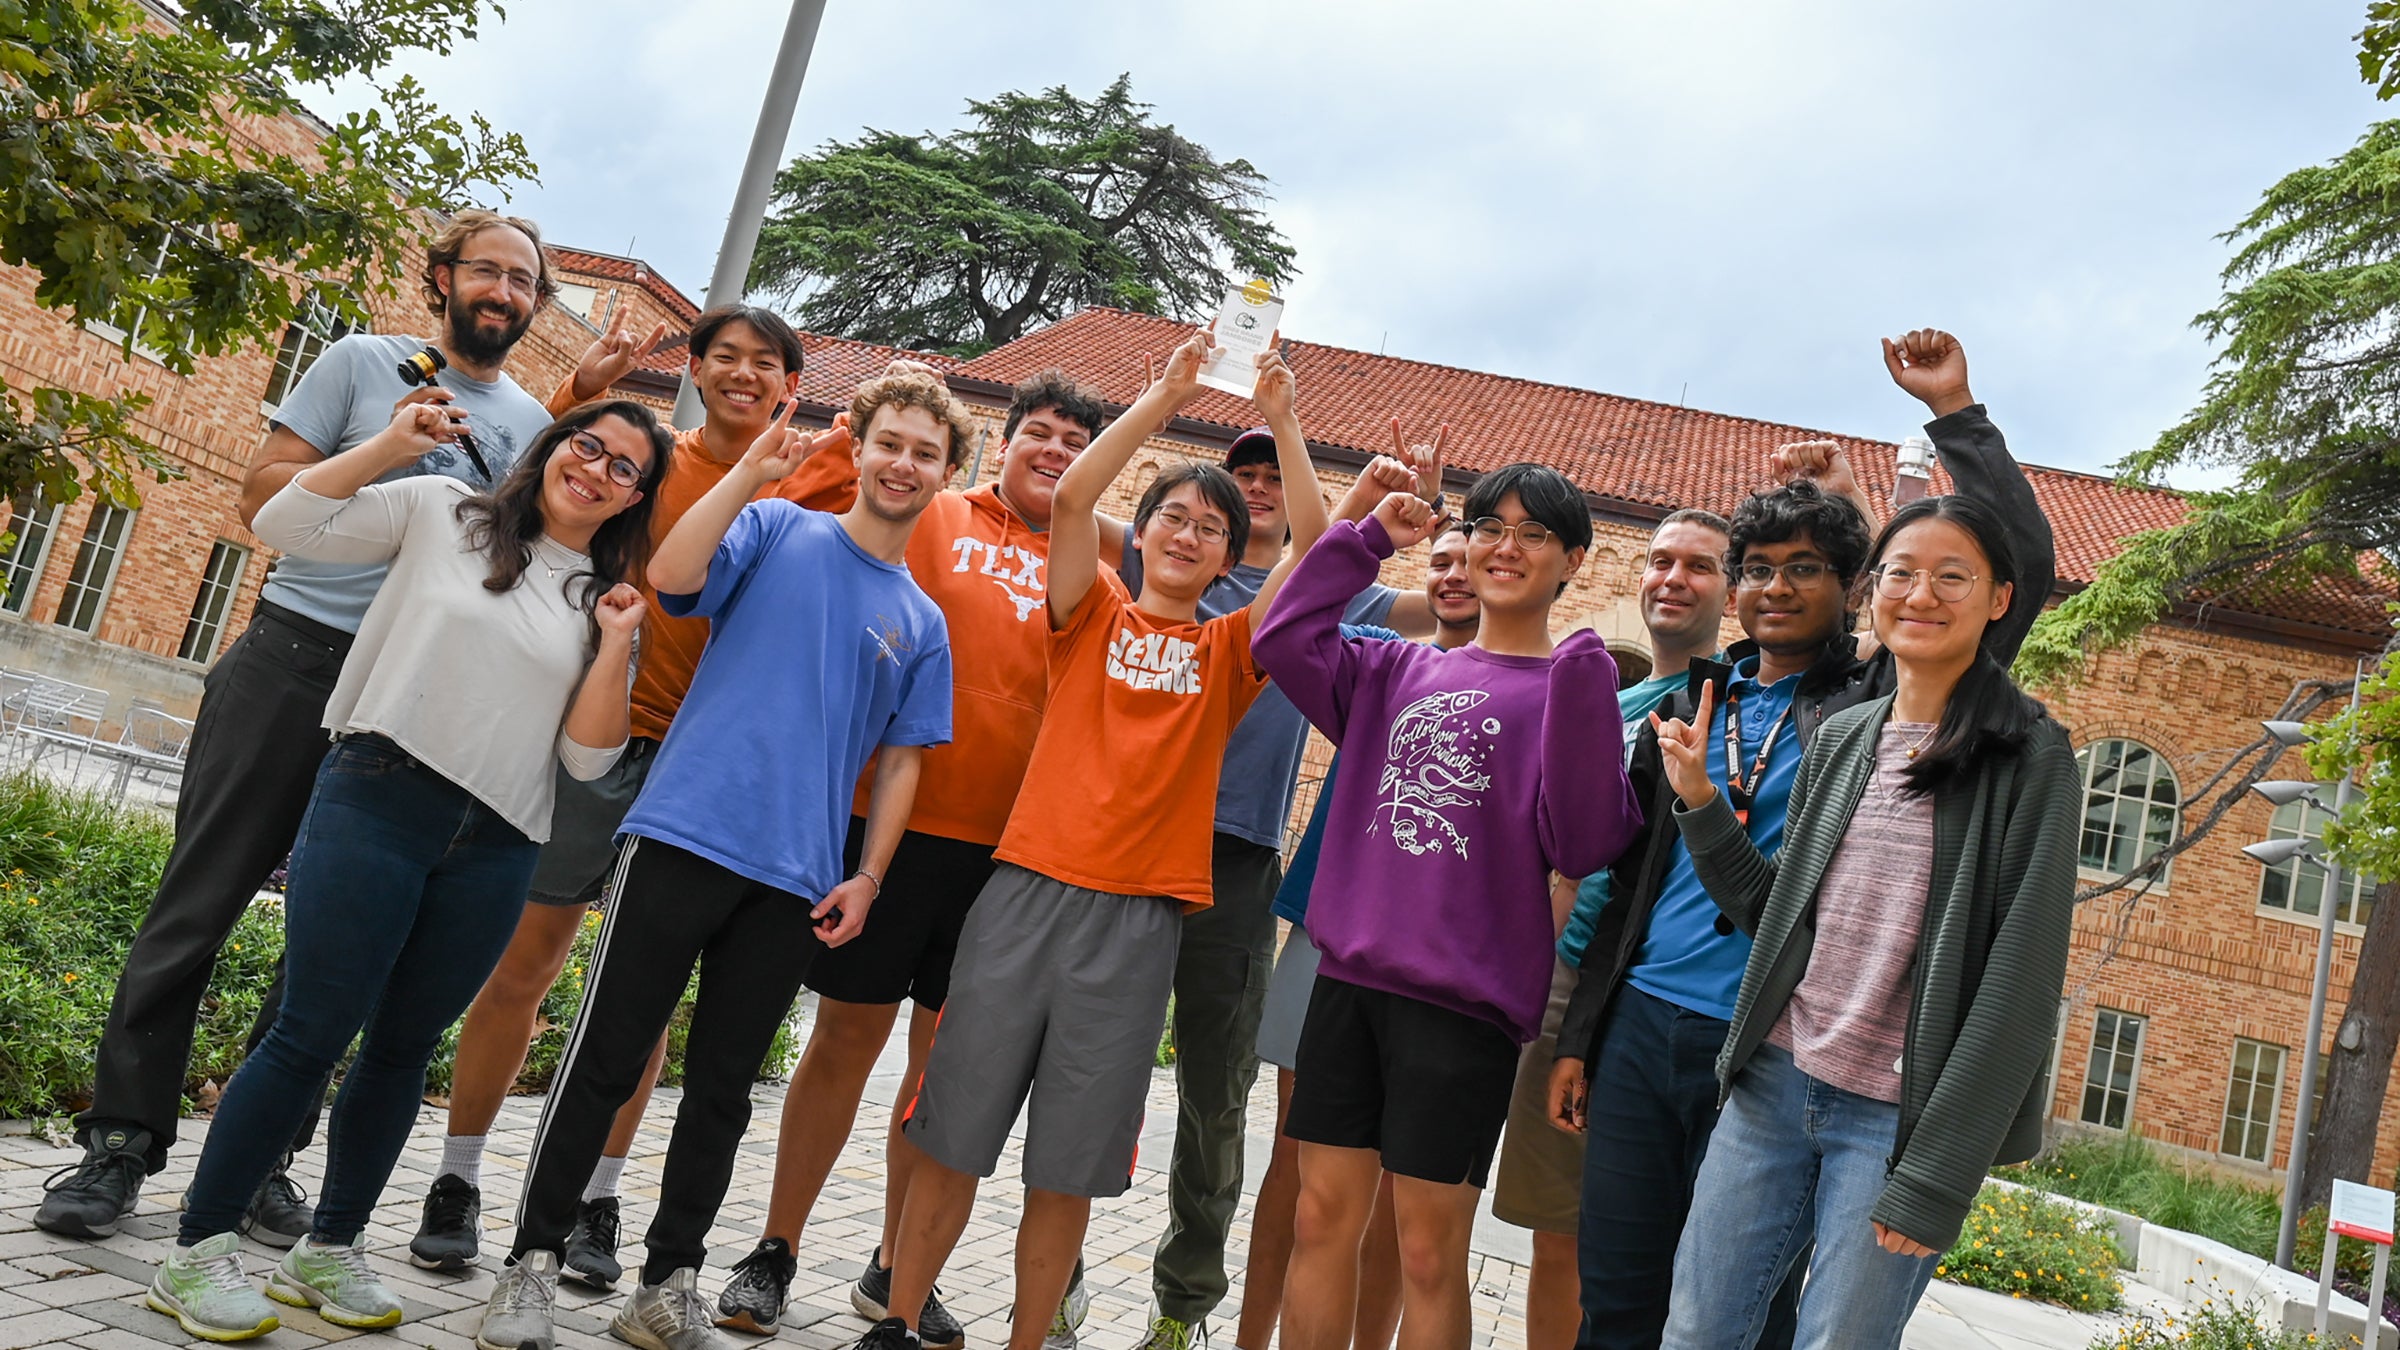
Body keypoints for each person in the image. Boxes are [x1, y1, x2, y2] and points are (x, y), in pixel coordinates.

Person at [38, 210, 566, 1244]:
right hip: (293, 661)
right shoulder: (365, 361)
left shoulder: (533, 419)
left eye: (522, 281)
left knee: (334, 951)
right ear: (444, 275)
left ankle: (267, 1155)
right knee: (199, 903)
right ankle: (120, 1144)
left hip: (403, 704)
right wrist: (388, 448)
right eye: (486, 271)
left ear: (534, 305)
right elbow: (260, 496)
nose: (502, 291)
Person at [1550, 329, 2051, 1350]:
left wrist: (1942, 426)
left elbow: (1969, 582)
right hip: (1677, 1035)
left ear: (1846, 590)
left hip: (1786, 1045)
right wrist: (1581, 1035)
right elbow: (1636, 883)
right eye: (1758, 570)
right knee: (1642, 1304)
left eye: (1807, 570)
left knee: (1764, 1323)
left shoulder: (1870, 700)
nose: (1777, 588)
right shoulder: (1691, 702)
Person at [144, 397, 668, 1342]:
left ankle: (330, 1244)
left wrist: (621, 639)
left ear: (637, 497)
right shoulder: (442, 510)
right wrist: (388, 445)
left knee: (400, 1050)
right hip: (378, 793)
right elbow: (280, 522)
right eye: (588, 445)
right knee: (309, 1031)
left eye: (625, 467)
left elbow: (589, 762)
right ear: (554, 446)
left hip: (501, 841)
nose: (597, 469)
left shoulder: (600, 600)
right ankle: (197, 1247)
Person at [474, 372, 963, 1350]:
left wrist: (866, 876)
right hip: (684, 834)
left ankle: (668, 1282)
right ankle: (529, 1264)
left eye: (926, 453)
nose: (904, 464)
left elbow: (904, 761)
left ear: (945, 475)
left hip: (794, 879)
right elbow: (674, 578)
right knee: (607, 1055)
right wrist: (747, 472)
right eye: (891, 442)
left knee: (724, 1090)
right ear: (857, 445)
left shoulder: (923, 621)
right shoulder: (781, 527)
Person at [857, 330, 1324, 1350]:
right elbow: (1072, 500)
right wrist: (1163, 396)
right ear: (1141, 535)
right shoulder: (1089, 616)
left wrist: (1286, 422)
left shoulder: (1233, 653)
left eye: (1213, 526)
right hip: (1021, 895)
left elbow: (1319, 561)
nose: (1191, 534)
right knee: (952, 1137)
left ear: (1227, 554)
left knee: (1066, 1166)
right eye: (1174, 516)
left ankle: (1028, 1338)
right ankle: (894, 1322)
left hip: (1136, 924)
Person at [408, 304, 824, 1290]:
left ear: (788, 387)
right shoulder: (652, 454)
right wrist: (579, 390)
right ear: (694, 370)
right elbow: (540, 478)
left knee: (644, 1004)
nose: (741, 374)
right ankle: (457, 1181)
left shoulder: (812, 481)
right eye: (722, 357)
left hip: (700, 767)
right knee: (528, 963)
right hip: (594, 730)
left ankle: (599, 1197)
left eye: (763, 364)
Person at [716, 371, 1109, 1344]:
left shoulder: (1092, 563)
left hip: (1007, 859)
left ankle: (897, 1267)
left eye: (1075, 441)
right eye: (1040, 433)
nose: (1055, 452)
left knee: (939, 1073)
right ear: (1003, 444)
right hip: (887, 832)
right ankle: (775, 1248)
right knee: (844, 1041)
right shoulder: (935, 514)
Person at [1654, 488, 2077, 1350]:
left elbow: (2021, 984)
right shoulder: (1848, 736)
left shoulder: (2030, 755)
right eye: (1901, 573)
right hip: (1776, 1085)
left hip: (1894, 1120)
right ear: (1871, 591)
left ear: (1999, 599)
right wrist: (1700, 804)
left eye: (1951, 577)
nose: (1921, 596)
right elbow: (1778, 920)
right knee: (1697, 1332)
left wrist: (1941, 1173)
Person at [1256, 463, 1644, 1350]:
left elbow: (1585, 845)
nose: (1505, 547)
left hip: (1462, 1009)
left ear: (1573, 560)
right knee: (1320, 1220)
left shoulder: (1568, 686)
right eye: (1488, 526)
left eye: (1533, 533)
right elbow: (1281, 637)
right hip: (1349, 984)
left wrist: (1583, 686)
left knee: (1427, 1253)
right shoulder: (1392, 669)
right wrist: (1363, 539)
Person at [1109, 422, 1442, 1350]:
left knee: (1215, 1097)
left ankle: (1182, 1307)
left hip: (1241, 857)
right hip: (1131, 845)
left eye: (1268, 476)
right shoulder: (1183, 575)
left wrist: (1423, 523)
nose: (1253, 487)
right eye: (1238, 476)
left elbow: (1430, 608)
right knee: (1097, 1071)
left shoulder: (1336, 601)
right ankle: (1063, 1277)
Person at [1236, 469, 1474, 1350]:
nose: (1455, 571)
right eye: (1438, 559)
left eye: (1470, 556)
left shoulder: (1522, 688)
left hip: (1434, 965)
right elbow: (1290, 614)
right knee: (1298, 1166)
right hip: (1334, 926)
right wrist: (1369, 518)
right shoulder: (1376, 663)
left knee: (1392, 1189)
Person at [1488, 507, 1733, 1350]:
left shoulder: (1725, 700)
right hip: (1552, 977)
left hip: (1624, 987)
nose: (1673, 578)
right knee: (1557, 1233)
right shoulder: (1615, 698)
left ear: (1729, 590)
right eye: (1662, 561)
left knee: (1621, 1245)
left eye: (1699, 566)